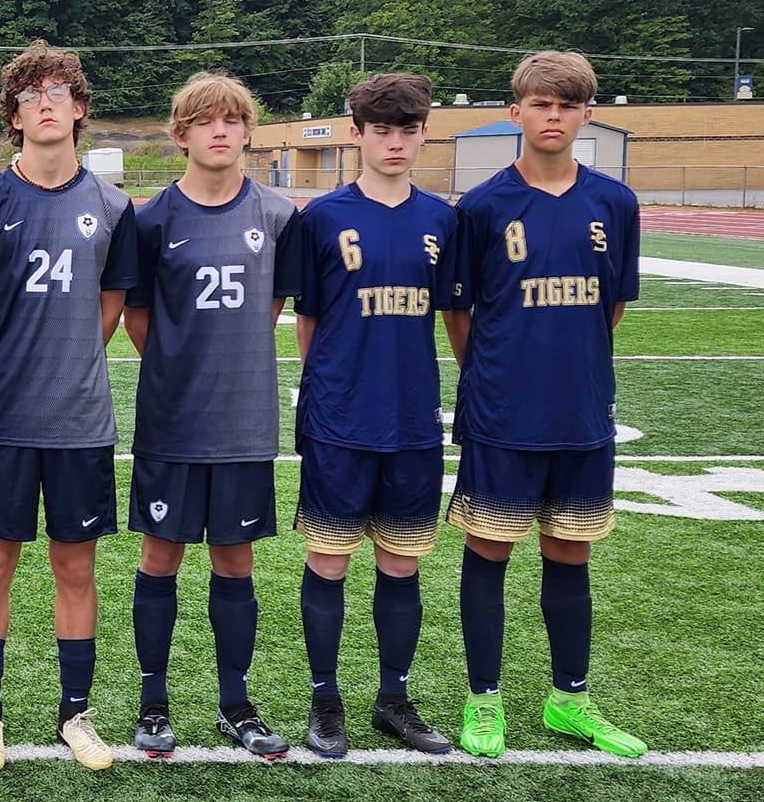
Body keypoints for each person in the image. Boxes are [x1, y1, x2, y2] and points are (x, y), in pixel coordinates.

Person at [445, 51, 646, 759]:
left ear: (586, 114)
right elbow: (461, 312)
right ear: (516, 113)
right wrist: (497, 373)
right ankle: (484, 699)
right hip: (503, 413)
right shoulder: (482, 207)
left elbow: (612, 305)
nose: (552, 116)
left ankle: (570, 700)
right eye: (540, 103)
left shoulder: (615, 203)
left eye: (566, 105)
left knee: (569, 552)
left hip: (582, 411)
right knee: (489, 549)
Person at [0, 42, 134, 773]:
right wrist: (16, 353)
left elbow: (112, 301)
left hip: (79, 419)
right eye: (31, 95)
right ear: (15, 116)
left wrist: (69, 355)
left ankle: (75, 714)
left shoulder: (113, 205)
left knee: (75, 567)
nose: (46, 104)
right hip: (4, 416)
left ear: (79, 107)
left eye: (59, 91)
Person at [124, 71, 299, 759]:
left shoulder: (278, 215)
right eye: (204, 121)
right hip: (171, 420)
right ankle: (153, 702)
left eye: (231, 119)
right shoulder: (151, 220)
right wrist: (180, 371)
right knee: (159, 553)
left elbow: (269, 310)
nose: (219, 131)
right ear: (181, 135)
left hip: (243, 420)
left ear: (248, 130)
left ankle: (235, 702)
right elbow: (139, 320)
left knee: (235, 557)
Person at [289, 72, 458, 758]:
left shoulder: (443, 219)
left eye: (407, 130)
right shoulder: (321, 217)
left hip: (412, 417)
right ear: (356, 133)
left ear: (424, 134)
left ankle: (394, 699)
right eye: (381, 130)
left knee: (401, 562)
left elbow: (454, 313)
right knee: (328, 559)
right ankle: (324, 700)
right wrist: (327, 390)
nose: (394, 142)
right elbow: (308, 321)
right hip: (340, 417)